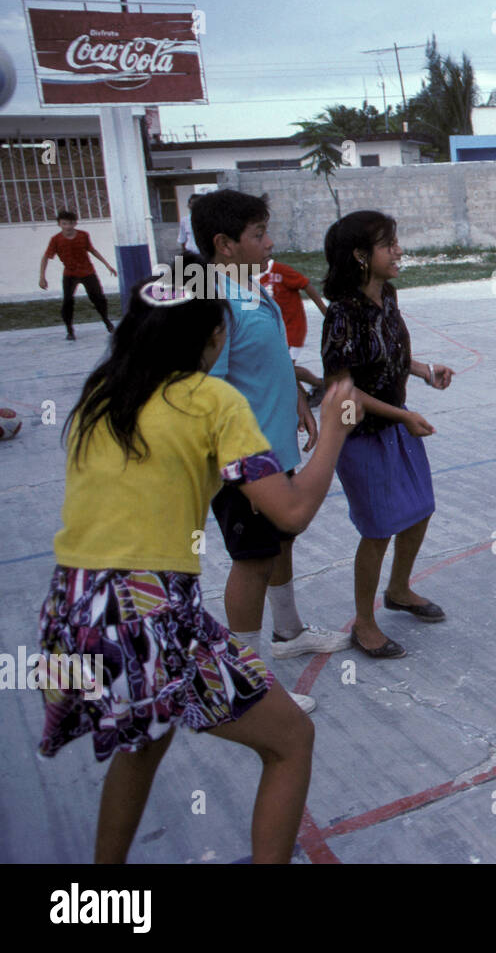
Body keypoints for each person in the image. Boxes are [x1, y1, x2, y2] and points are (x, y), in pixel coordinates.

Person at [39, 266, 362, 862]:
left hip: (72, 612)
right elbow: (289, 513)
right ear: (215, 337)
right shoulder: (213, 400)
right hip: (148, 613)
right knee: (292, 738)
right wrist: (337, 430)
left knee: (146, 739)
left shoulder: (101, 392)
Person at [192, 190, 350, 711]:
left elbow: (264, 364)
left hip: (273, 443)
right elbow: (207, 392)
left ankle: (288, 633)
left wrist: (296, 403)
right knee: (252, 561)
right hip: (243, 462)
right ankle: (246, 679)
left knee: (279, 543)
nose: (270, 242)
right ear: (224, 244)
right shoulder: (213, 307)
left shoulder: (250, 290)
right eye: (258, 235)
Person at [321, 210, 455, 659]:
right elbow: (343, 390)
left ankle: (399, 590)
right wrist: (403, 415)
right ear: (361, 255)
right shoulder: (341, 314)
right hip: (360, 435)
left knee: (420, 509)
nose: (398, 250)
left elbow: (389, 357)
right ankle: (364, 622)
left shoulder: (388, 296)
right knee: (378, 528)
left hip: (396, 421)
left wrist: (423, 370)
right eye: (388, 244)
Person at [38, 209, 117, 341]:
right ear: (59, 224)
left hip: (88, 272)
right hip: (70, 274)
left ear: (75, 223)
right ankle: (69, 330)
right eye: (64, 224)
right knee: (68, 302)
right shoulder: (56, 240)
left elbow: (92, 250)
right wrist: (42, 277)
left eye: (70, 223)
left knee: (99, 298)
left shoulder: (83, 235)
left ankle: (106, 320)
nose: (67, 226)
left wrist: (107, 265)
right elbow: (46, 257)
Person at [261, 257, 329, 406]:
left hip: (293, 327)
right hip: (276, 332)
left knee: (286, 367)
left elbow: (305, 284)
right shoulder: (250, 276)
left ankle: (320, 384)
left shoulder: (281, 270)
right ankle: (305, 397)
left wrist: (323, 308)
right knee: (281, 367)